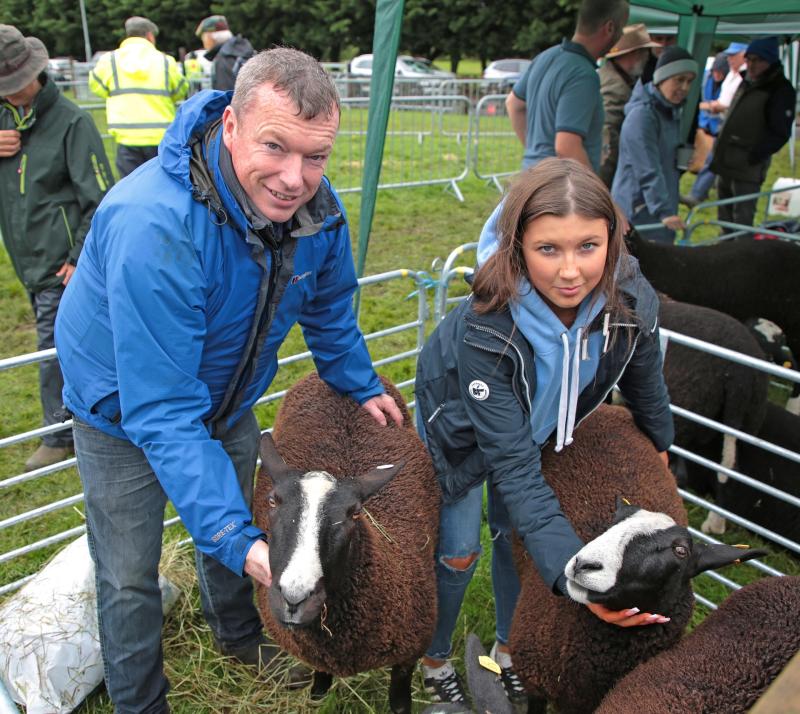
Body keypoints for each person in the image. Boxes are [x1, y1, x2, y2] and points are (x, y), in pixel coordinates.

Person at [54, 47, 403, 713]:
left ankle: (241, 636)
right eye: (275, 146)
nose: (296, 177)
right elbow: (160, 410)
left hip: (225, 397)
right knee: (131, 572)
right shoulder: (155, 226)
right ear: (233, 126)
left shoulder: (315, 214)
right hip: (122, 410)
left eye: (316, 155)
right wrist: (238, 540)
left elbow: (329, 307)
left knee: (234, 521)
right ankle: (139, 701)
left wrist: (358, 382)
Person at [415, 158, 674, 706]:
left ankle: (508, 651)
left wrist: (660, 443)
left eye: (588, 246)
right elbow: (513, 470)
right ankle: (435, 658)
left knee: (515, 543)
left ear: (612, 241)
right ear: (516, 247)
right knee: (458, 553)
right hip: (462, 434)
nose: (570, 271)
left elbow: (644, 372)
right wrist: (578, 579)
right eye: (547, 249)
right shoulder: (486, 326)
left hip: (533, 430)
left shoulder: (629, 300)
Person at [0, 24, 114, 471]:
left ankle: (59, 432)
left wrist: (77, 257)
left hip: (61, 265)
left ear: (36, 72)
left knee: (55, 347)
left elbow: (101, 199)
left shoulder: (72, 122)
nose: (9, 94)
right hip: (27, 259)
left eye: (13, 85)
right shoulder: (6, 119)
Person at [506, 0, 630, 172]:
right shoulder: (583, 74)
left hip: (532, 178)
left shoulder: (546, 56)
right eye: (622, 29)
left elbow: (513, 104)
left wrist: (536, 155)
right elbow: (567, 146)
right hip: (560, 188)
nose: (621, 35)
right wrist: (595, 193)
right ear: (609, 27)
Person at [612, 46, 698, 243]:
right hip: (637, 211)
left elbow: (663, 158)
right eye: (679, 80)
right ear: (661, 79)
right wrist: (664, 210)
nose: (685, 88)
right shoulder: (642, 116)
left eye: (689, 81)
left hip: (658, 209)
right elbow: (647, 168)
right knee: (634, 269)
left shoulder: (670, 111)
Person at [710, 36, 795, 232]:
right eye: (749, 60)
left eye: (758, 60)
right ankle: (725, 257)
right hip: (726, 163)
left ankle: (741, 260)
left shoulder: (780, 90)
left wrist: (753, 155)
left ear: (770, 60)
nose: (752, 65)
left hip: (748, 168)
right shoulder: (746, 81)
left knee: (742, 221)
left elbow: (780, 133)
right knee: (724, 219)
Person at [89, 17, 187, 178]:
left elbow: (96, 87)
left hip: (126, 139)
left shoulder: (110, 61)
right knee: (164, 188)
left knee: (131, 190)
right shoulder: (165, 61)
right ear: (149, 36)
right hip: (161, 139)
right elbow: (180, 90)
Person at [681, 42, 747, 208]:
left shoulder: (743, 77)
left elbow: (726, 104)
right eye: (729, 56)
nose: (730, 59)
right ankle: (700, 194)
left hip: (734, 130)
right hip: (723, 127)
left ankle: (701, 195)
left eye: (734, 55)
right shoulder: (731, 75)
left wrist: (710, 106)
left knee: (718, 162)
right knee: (714, 160)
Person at [598, 23, 660, 186]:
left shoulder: (612, 76)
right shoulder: (616, 87)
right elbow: (608, 135)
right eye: (644, 52)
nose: (647, 57)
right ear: (633, 54)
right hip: (606, 172)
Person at [683, 52, 729, 206]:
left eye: (720, 73)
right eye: (715, 71)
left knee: (712, 161)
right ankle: (700, 192)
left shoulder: (729, 83)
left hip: (720, 129)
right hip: (704, 126)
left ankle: (698, 194)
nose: (717, 75)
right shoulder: (704, 79)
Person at [195, 15, 254, 91]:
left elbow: (226, 96)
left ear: (209, 37)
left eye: (203, 38)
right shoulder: (244, 49)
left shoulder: (223, 58)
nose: (204, 43)